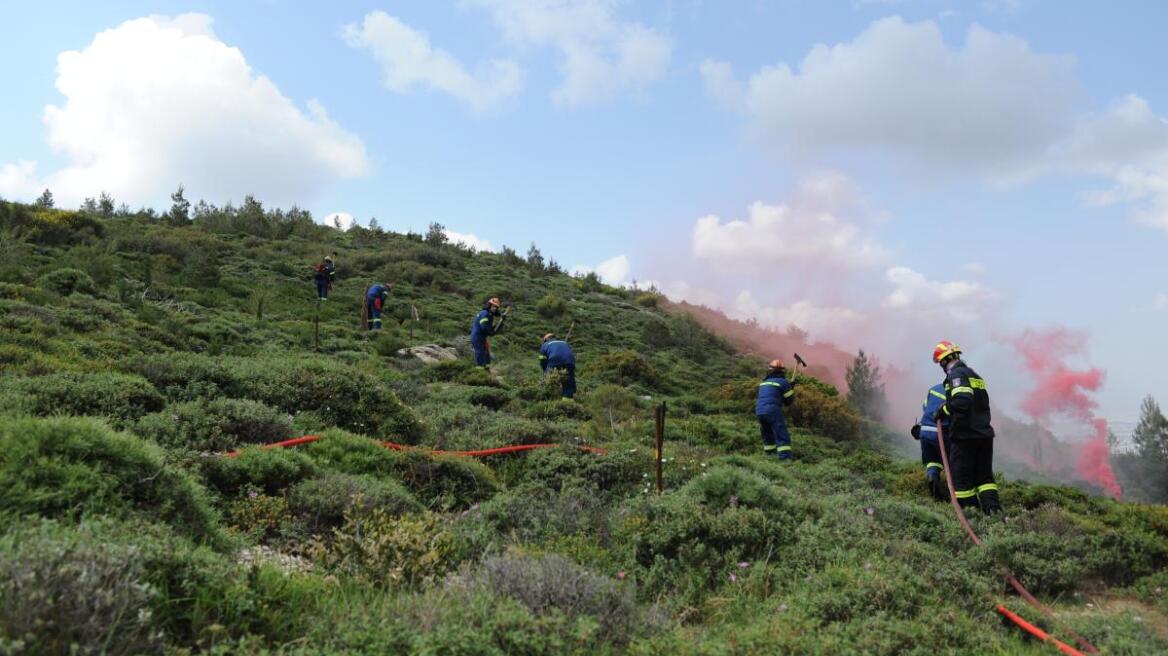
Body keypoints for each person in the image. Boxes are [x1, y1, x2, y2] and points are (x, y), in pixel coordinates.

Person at [933, 340, 1001, 515]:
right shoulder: (974, 375)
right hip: (984, 434)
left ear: (943, 361)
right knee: (985, 479)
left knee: (961, 480)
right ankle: (993, 513)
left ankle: (972, 516)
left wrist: (944, 409)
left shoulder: (956, 375)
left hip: (965, 436)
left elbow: (962, 402)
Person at [912, 382, 951, 501]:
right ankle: (953, 497)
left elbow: (925, 407)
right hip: (941, 432)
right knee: (953, 464)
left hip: (925, 430)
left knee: (932, 461)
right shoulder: (956, 391)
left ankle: (933, 484)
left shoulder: (934, 389)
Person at [756, 359, 796, 460]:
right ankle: (785, 459)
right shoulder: (783, 382)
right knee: (781, 433)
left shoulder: (763, 383)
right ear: (782, 371)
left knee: (767, 432)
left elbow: (771, 394)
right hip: (772, 410)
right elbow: (788, 402)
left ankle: (770, 456)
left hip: (760, 410)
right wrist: (791, 388)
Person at [539, 333, 577, 398]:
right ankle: (568, 400)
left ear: (545, 340)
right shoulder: (564, 343)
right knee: (569, 381)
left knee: (549, 380)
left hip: (554, 361)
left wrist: (545, 371)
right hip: (570, 362)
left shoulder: (545, 345)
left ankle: (548, 397)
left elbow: (543, 361)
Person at [470, 297, 504, 368]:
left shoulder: (489, 315)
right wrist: (491, 332)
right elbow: (484, 327)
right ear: (489, 305)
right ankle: (479, 373)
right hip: (477, 337)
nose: (495, 308)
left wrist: (501, 322)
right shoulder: (485, 314)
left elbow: (490, 329)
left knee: (486, 355)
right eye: (493, 306)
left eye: (496, 307)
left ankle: (486, 371)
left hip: (482, 337)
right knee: (480, 353)